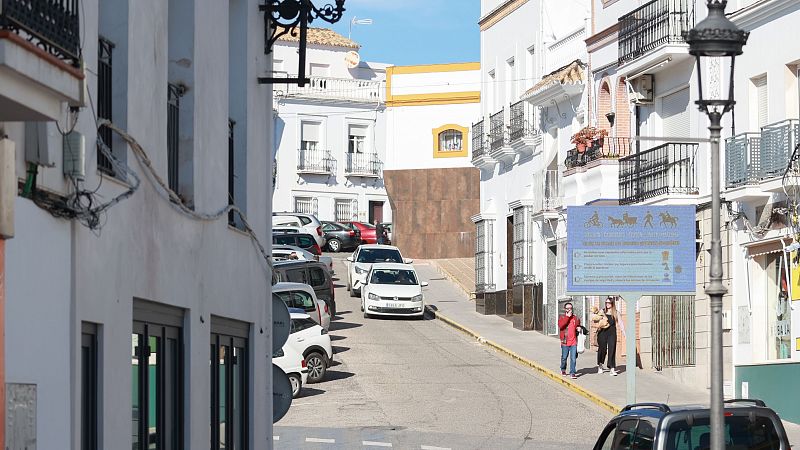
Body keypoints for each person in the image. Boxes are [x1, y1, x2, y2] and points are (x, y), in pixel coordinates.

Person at [558, 302, 581, 380]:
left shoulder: (575, 318)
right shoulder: (562, 317)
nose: (569, 310)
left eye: (570, 308)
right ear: (565, 309)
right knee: (564, 358)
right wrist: (567, 317)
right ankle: (563, 369)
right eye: (567, 308)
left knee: (573, 358)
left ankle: (572, 372)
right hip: (565, 342)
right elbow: (561, 326)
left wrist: (579, 328)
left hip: (573, 341)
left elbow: (578, 325)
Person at [597, 297, 619, 376]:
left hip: (612, 333)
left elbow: (620, 323)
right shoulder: (602, 311)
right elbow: (595, 320)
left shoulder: (616, 313)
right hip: (602, 332)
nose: (607, 304)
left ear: (612, 303)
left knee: (612, 350)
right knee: (602, 350)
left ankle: (612, 368)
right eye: (606, 303)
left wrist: (624, 333)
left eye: (609, 303)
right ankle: (600, 365)